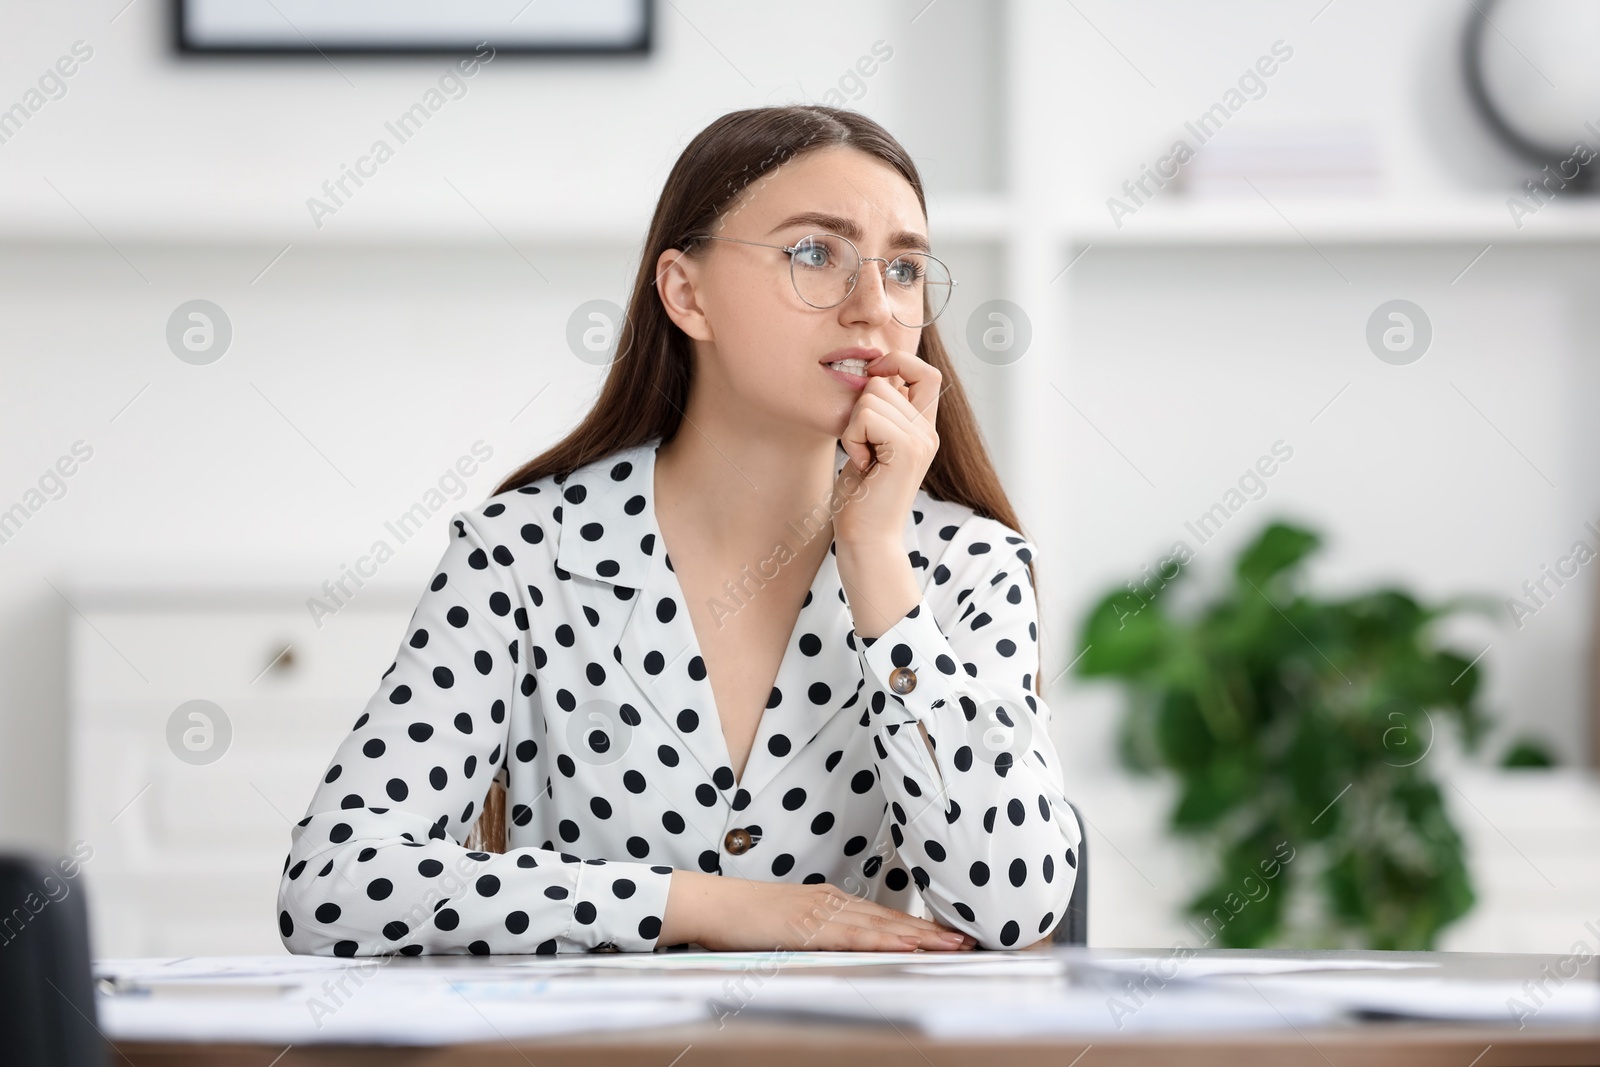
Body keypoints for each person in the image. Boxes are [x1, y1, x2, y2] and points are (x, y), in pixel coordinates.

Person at [277, 104, 1081, 957]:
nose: (875, 307)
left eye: (907, 268)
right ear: (685, 293)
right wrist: (705, 905)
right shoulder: (521, 553)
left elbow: (1017, 905)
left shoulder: (967, 563)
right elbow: (333, 885)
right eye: (816, 253)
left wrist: (878, 557)